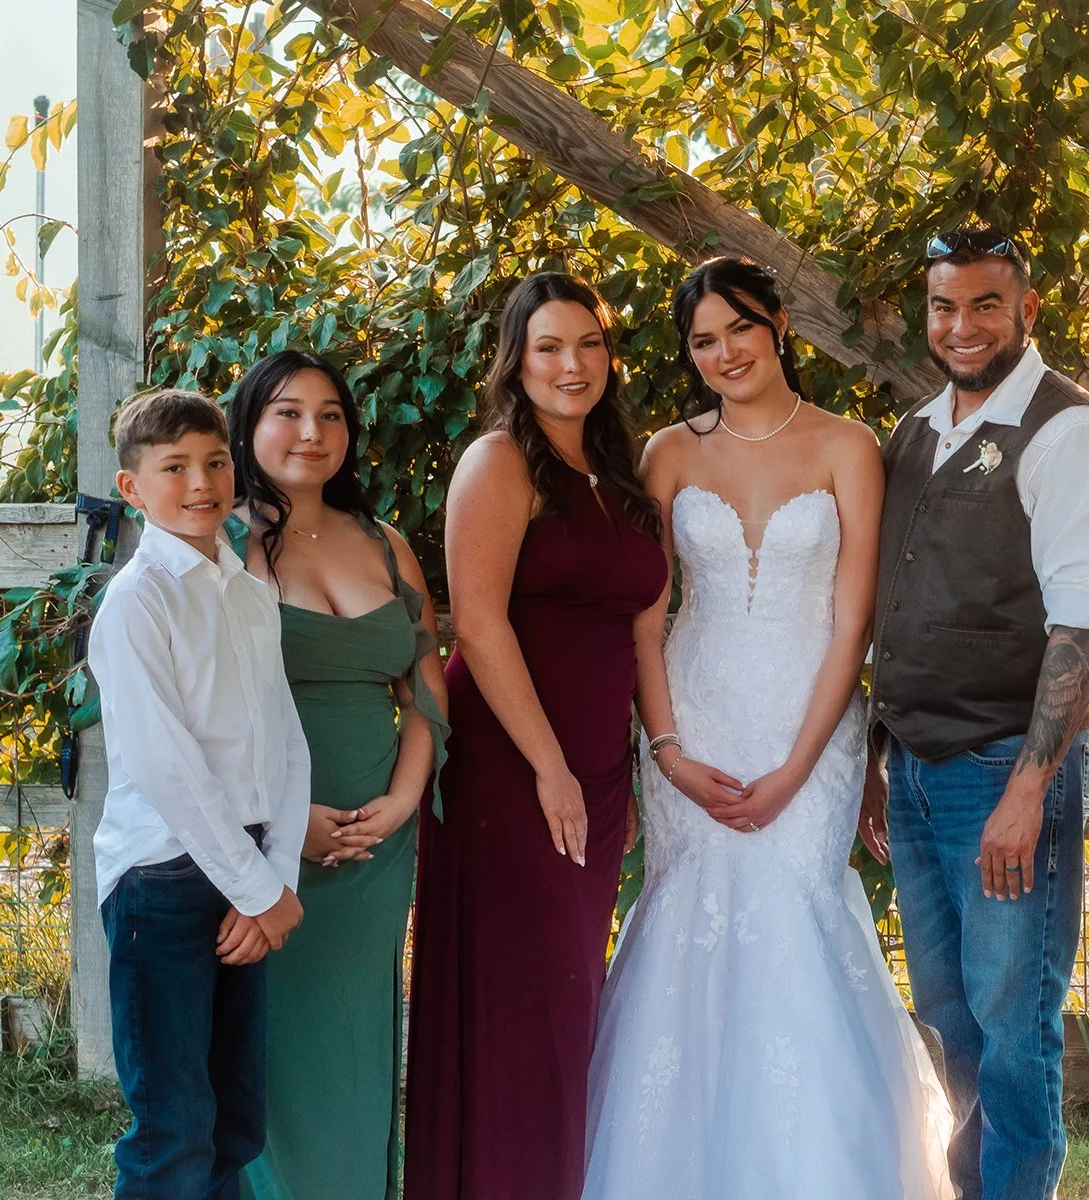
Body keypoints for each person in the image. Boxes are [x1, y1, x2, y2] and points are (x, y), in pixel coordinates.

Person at [583, 255, 953, 1199]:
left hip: (810, 719)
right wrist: (666, 750)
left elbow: (853, 622)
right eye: (703, 341)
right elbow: (645, 619)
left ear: (778, 324)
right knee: (687, 917)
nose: (725, 353)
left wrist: (799, 768)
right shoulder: (669, 452)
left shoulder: (847, 446)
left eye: (739, 328)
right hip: (693, 714)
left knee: (797, 913)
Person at [860, 228, 1089, 1200]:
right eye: (944, 306)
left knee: (1013, 1024)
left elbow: (1084, 625)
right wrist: (875, 758)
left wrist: (1029, 791)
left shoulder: (1073, 435)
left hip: (1004, 769)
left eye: (986, 304)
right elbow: (892, 606)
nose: (962, 325)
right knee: (948, 1020)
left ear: (1027, 310)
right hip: (916, 769)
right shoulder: (916, 430)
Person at [403, 272, 668, 1200]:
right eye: (549, 347)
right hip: (509, 764)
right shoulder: (499, 462)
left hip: (593, 765)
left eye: (589, 344)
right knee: (524, 1002)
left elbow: (636, 634)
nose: (572, 365)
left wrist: (624, 768)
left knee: (568, 995)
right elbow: (477, 624)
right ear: (516, 362)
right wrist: (552, 769)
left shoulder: (619, 474)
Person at [222, 350, 449, 1200]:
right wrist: (288, 822)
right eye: (287, 412)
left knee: (356, 1050)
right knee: (275, 1053)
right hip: (262, 845)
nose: (311, 432)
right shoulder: (217, 543)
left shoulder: (386, 545)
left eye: (330, 415)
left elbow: (425, 692)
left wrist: (401, 802)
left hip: (376, 850)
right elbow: (197, 711)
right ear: (248, 426)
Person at [88, 387, 309, 1200]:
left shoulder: (248, 592)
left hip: (244, 868)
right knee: (174, 1127)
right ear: (132, 488)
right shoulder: (137, 601)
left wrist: (275, 878)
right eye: (174, 467)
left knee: (234, 1120)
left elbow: (285, 741)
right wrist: (256, 889)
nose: (200, 483)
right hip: (163, 881)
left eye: (216, 463)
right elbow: (165, 765)